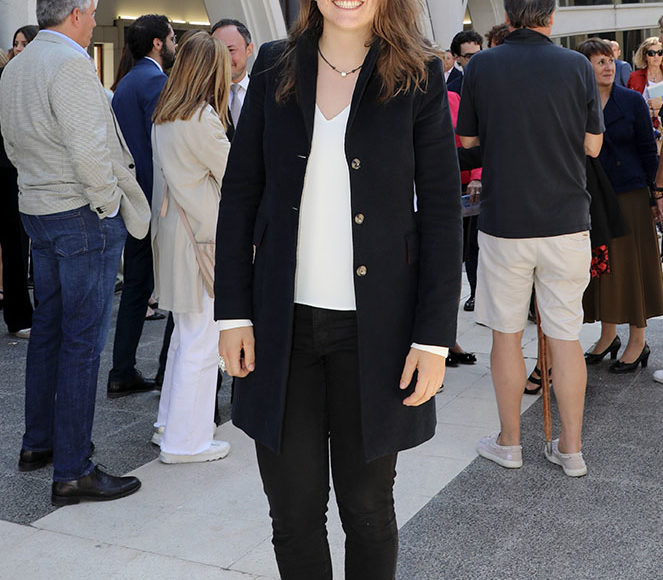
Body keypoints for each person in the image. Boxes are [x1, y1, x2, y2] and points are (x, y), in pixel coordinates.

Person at [215, 0, 462, 576]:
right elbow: (241, 193)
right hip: (282, 328)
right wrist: (233, 314)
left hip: (377, 332)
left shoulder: (417, 72)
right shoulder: (275, 64)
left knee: (368, 509)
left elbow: (441, 212)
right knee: (293, 514)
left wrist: (433, 338)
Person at [0, 0, 149, 505]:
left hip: (39, 209)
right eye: (92, 11)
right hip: (80, 213)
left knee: (48, 329)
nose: (94, 20)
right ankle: (73, 468)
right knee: (82, 341)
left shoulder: (18, 65)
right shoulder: (69, 64)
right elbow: (89, 150)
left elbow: (12, 144)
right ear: (78, 14)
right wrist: (108, 205)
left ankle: (38, 443)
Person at [457, 0, 604, 477]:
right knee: (565, 334)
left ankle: (510, 443)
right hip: (566, 218)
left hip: (506, 220)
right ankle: (571, 449)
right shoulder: (576, 65)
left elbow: (467, 141)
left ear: (508, 15)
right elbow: (593, 145)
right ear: (552, 16)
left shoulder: (483, 65)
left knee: (505, 334)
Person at [150, 32, 232, 463]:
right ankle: (186, 442)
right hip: (201, 242)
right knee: (201, 343)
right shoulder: (201, 118)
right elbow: (235, 174)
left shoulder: (165, 115)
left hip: (177, 239)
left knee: (186, 339)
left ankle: (170, 427)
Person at [578, 39, 663, 373]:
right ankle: (607, 336)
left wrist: (655, 196)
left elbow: (648, 150)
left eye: (610, 60)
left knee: (632, 266)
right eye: (600, 61)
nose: (609, 67)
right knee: (603, 267)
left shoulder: (631, 100)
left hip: (629, 194)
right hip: (591, 196)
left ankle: (638, 340)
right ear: (584, 68)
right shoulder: (578, 102)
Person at [107, 14, 176, 398]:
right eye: (172, 38)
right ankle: (162, 370)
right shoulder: (155, 82)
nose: (175, 45)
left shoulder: (126, 83)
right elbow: (165, 145)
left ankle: (123, 368)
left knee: (137, 287)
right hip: (154, 200)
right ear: (157, 43)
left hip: (133, 198)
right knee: (168, 288)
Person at [0, 26, 37, 340]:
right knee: (15, 245)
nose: (19, 48)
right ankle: (20, 315)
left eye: (24, 43)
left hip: (14, 171)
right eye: (16, 43)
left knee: (16, 246)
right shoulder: (11, 79)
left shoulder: (18, 79)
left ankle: (21, 314)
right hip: (10, 169)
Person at [211, 18, 254, 140]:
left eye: (231, 50)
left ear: (249, 50)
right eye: (218, 51)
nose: (224, 58)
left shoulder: (266, 93)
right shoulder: (205, 98)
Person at [627, 37, 663, 126]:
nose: (656, 56)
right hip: (643, 125)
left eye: (660, 52)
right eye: (651, 53)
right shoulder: (635, 77)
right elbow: (629, 105)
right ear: (644, 56)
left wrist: (660, 107)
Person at [448, 30, 483, 95]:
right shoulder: (452, 91)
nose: (475, 59)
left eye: (478, 54)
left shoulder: (496, 80)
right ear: (457, 58)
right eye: (469, 56)